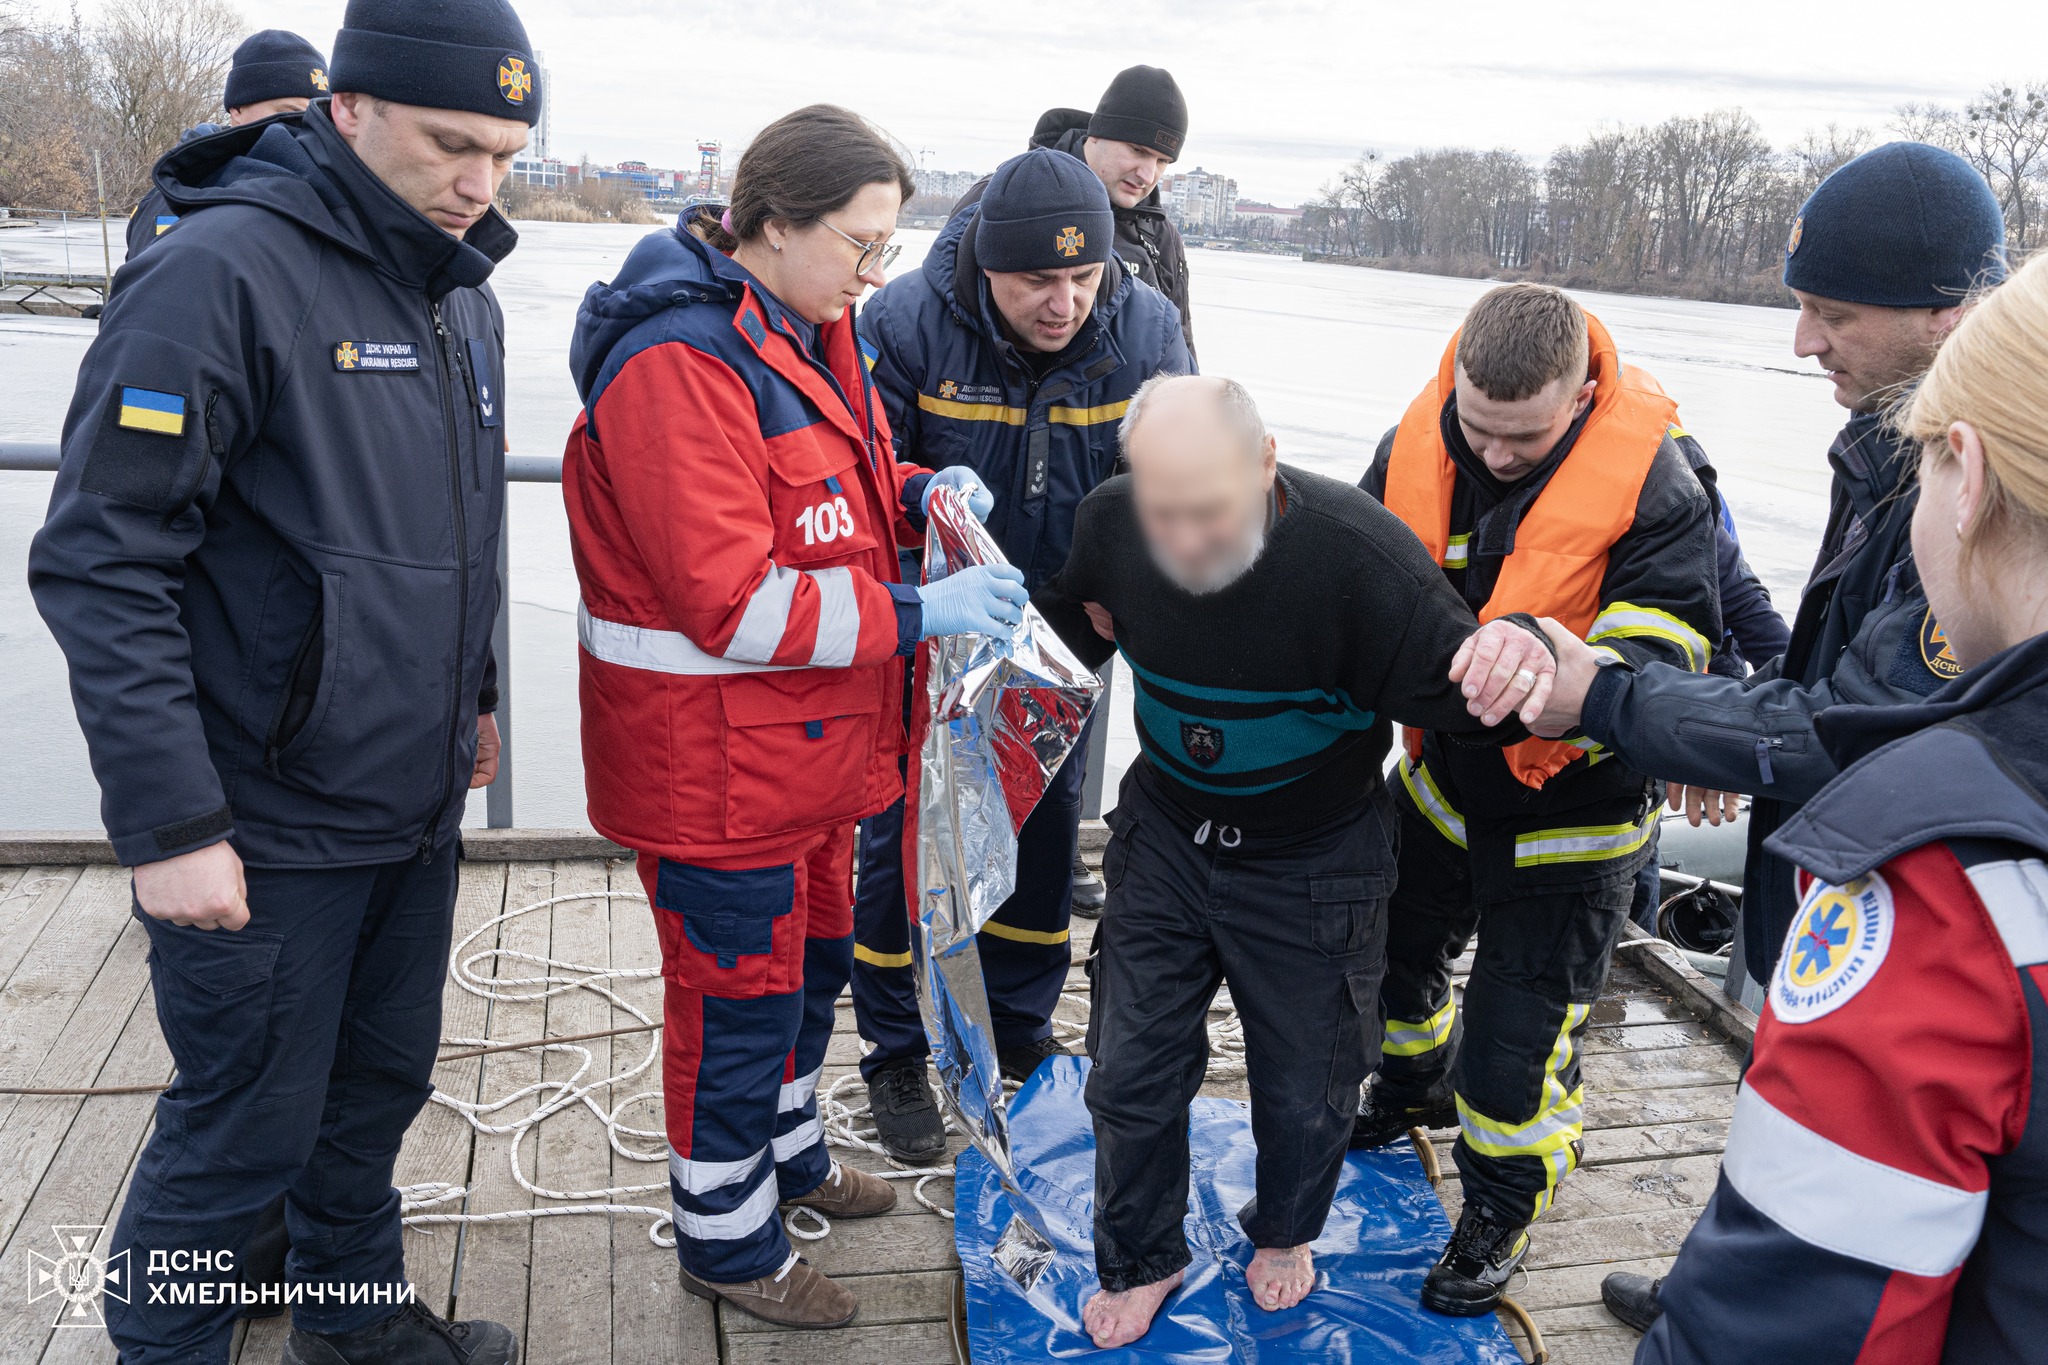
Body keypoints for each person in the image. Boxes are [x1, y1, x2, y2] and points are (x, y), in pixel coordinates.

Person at [27, 0, 538, 1358]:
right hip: (260, 818)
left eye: (504, 154)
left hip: (407, 803)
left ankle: (353, 1330)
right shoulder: (218, 274)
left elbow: (458, 529)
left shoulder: (462, 295)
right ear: (347, 109)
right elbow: (101, 560)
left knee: (371, 1097)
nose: (480, 183)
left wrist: (479, 693)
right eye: (452, 144)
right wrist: (170, 826)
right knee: (241, 1131)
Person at [1511, 144, 2007, 1334]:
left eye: (1831, 313)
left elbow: (1851, 727)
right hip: (1825, 868)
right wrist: (1717, 728)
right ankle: (1708, 1281)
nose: (1799, 342)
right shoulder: (1883, 441)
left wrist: (1610, 702)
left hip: (1904, 905)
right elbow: (1823, 663)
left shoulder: (1969, 491)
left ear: (1943, 313)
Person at [561, 103, 1028, 1331]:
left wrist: (918, 491)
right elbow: (731, 601)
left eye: (887, 247)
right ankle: (727, 1239)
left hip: (806, 759)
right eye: (861, 244)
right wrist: (919, 609)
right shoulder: (679, 364)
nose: (876, 273)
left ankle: (789, 1151)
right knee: (735, 1004)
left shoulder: (811, 328)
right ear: (771, 224)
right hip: (716, 771)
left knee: (807, 973)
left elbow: (830, 501)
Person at [1030, 374, 1557, 1348]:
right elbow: (1062, 629)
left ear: (1264, 463)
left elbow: (1482, 694)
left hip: (1314, 855)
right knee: (1128, 1067)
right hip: (1168, 831)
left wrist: (1533, 654)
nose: (1183, 538)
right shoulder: (1110, 522)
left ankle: (1283, 1230)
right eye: (1161, 511)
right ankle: (1143, 1257)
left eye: (1209, 510)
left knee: (1308, 1081)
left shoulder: (1359, 558)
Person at [1635, 247, 2048, 1365]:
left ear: (1966, 476)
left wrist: (1612, 697)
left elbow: (1782, 1329)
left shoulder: (1941, 881)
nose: (1804, 341)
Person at [1354, 283, 1722, 1316]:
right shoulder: (1408, 442)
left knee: (1516, 1046)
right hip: (1443, 784)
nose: (1496, 454)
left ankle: (1498, 1210)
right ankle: (1409, 1083)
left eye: (1524, 437)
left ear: (1582, 398)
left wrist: (1563, 666)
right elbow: (1349, 575)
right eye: (1478, 428)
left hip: (1575, 810)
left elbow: (1671, 643)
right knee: (1384, 946)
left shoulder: (1660, 479)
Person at [848, 145, 1191, 1162]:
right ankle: (895, 1050)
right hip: (935, 626)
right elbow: (861, 478)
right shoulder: (903, 324)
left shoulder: (1147, 330)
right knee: (906, 843)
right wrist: (922, 549)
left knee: (1043, 838)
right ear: (987, 266)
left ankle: (1021, 1024)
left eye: (1083, 277)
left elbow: (1172, 480)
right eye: (1038, 280)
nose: (1064, 303)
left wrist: (1137, 585)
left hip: (1067, 630)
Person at [953, 65, 1196, 360]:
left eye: (1162, 161)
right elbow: (946, 309)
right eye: (1138, 150)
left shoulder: (1159, 233)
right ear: (1096, 135)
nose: (1147, 174)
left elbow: (1180, 343)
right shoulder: (1001, 200)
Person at [127, 29, 330, 257]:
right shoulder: (166, 196)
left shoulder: (328, 195)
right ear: (238, 110)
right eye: (289, 113)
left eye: (318, 117)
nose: (304, 127)